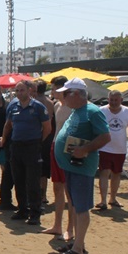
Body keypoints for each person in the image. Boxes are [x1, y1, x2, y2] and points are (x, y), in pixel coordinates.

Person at [53, 78, 111, 254]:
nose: (63, 97)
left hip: (81, 168)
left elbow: (105, 136)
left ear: (76, 94)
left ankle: (78, 249)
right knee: (76, 205)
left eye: (66, 93)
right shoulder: (78, 110)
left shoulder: (92, 112)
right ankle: (79, 243)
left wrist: (85, 149)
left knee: (81, 207)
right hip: (71, 166)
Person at [0, 80, 51, 225]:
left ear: (29, 90)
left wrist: (39, 142)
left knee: (33, 182)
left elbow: (47, 127)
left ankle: (35, 213)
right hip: (16, 146)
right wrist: (4, 139)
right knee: (18, 180)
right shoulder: (13, 106)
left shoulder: (38, 107)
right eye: (17, 90)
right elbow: (8, 125)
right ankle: (22, 210)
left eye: (22, 90)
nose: (19, 93)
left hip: (32, 147)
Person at [42, 76, 74, 241]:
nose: (52, 91)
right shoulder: (56, 106)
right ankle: (57, 225)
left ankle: (70, 228)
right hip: (56, 146)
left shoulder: (72, 106)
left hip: (68, 150)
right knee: (57, 188)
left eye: (54, 88)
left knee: (70, 191)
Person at [95, 90, 128, 210]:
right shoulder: (102, 110)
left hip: (120, 149)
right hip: (105, 147)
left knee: (117, 174)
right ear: (108, 99)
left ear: (121, 100)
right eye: (111, 100)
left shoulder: (126, 111)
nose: (113, 103)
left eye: (116, 100)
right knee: (104, 172)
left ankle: (112, 198)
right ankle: (103, 200)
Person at [33, 80, 55, 206]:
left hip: (36, 137)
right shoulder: (50, 103)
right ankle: (43, 196)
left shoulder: (34, 102)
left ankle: (37, 194)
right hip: (48, 137)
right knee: (44, 169)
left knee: (34, 168)